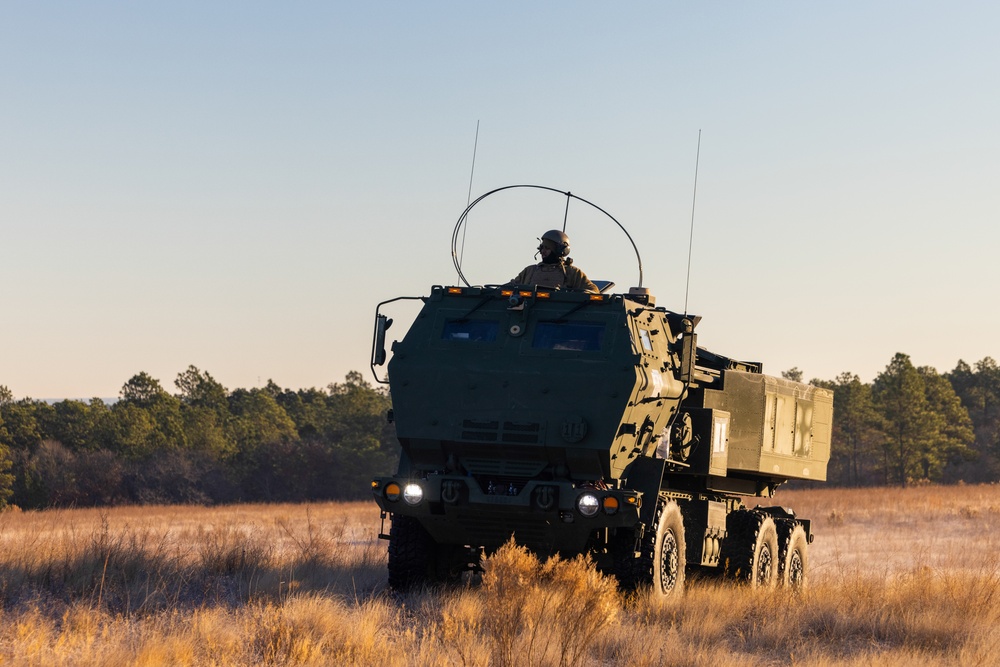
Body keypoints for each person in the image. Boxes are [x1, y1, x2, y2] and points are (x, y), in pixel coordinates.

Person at [511, 229, 598, 292]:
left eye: (547, 248)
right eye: (542, 248)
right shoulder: (530, 271)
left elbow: (593, 291)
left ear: (559, 250)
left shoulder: (572, 273)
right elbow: (510, 287)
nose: (542, 251)